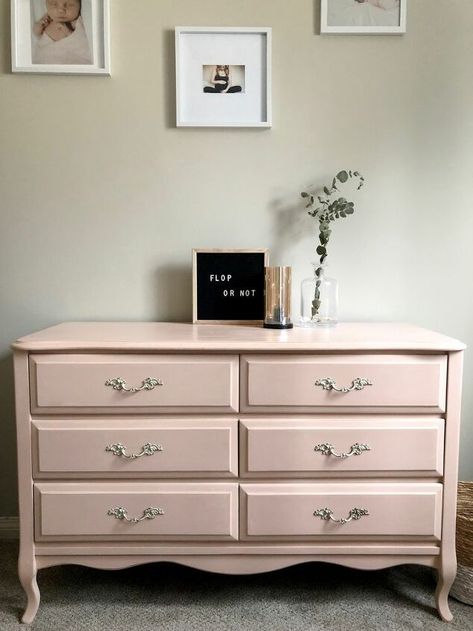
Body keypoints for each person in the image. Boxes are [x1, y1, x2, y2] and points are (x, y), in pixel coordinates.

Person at [32, 0, 92, 65]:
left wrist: (68, 32)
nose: (61, 10)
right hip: (45, 58)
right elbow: (39, 36)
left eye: (70, 5)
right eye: (54, 4)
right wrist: (38, 27)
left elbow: (83, 44)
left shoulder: (78, 22)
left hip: (71, 59)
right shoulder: (47, 19)